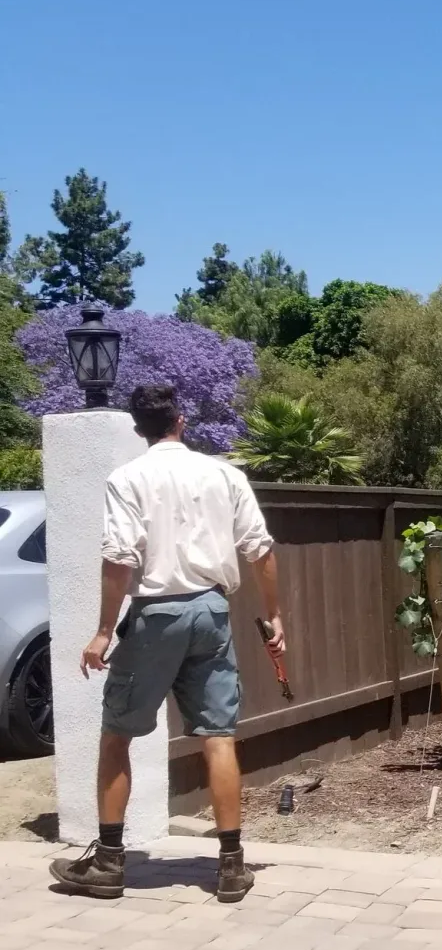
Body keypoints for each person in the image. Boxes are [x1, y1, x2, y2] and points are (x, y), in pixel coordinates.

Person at [50, 383, 286, 903]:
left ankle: (110, 863)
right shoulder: (224, 474)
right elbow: (261, 550)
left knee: (117, 735)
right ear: (180, 420)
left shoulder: (127, 477)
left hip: (156, 615)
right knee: (217, 736)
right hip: (212, 610)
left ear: (139, 429)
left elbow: (119, 558)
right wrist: (273, 616)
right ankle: (231, 866)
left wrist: (104, 629)